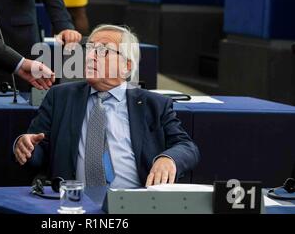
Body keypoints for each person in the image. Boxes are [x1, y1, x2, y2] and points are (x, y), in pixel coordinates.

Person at [14, 25, 200, 188]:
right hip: (74, 201)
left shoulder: (153, 104)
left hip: (134, 202)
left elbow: (187, 147)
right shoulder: (61, 97)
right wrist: (25, 145)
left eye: (103, 50)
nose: (91, 56)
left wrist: (169, 159)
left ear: (126, 66)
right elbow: (37, 150)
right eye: (90, 48)